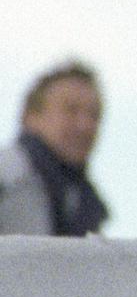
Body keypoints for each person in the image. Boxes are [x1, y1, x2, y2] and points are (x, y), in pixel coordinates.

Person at [1, 59, 110, 236]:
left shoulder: (81, 201)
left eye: (94, 115)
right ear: (31, 116)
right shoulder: (7, 179)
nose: (85, 125)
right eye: (71, 110)